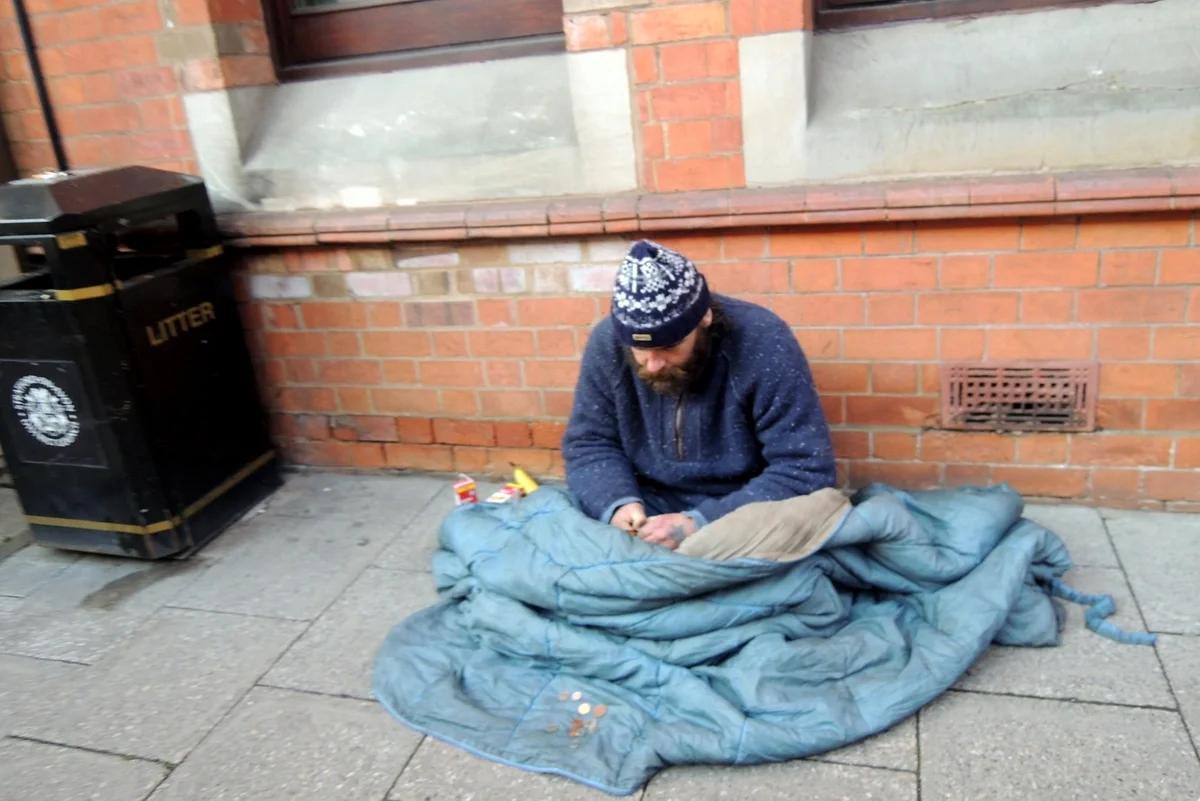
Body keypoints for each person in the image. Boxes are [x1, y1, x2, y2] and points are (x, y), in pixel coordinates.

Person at [562, 239, 837, 550]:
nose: (653, 365)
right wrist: (616, 504)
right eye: (641, 349)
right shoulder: (608, 342)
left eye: (669, 347)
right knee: (549, 526)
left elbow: (806, 469)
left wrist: (698, 522)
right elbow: (589, 444)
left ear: (704, 318)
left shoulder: (765, 342)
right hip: (645, 503)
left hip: (744, 511)